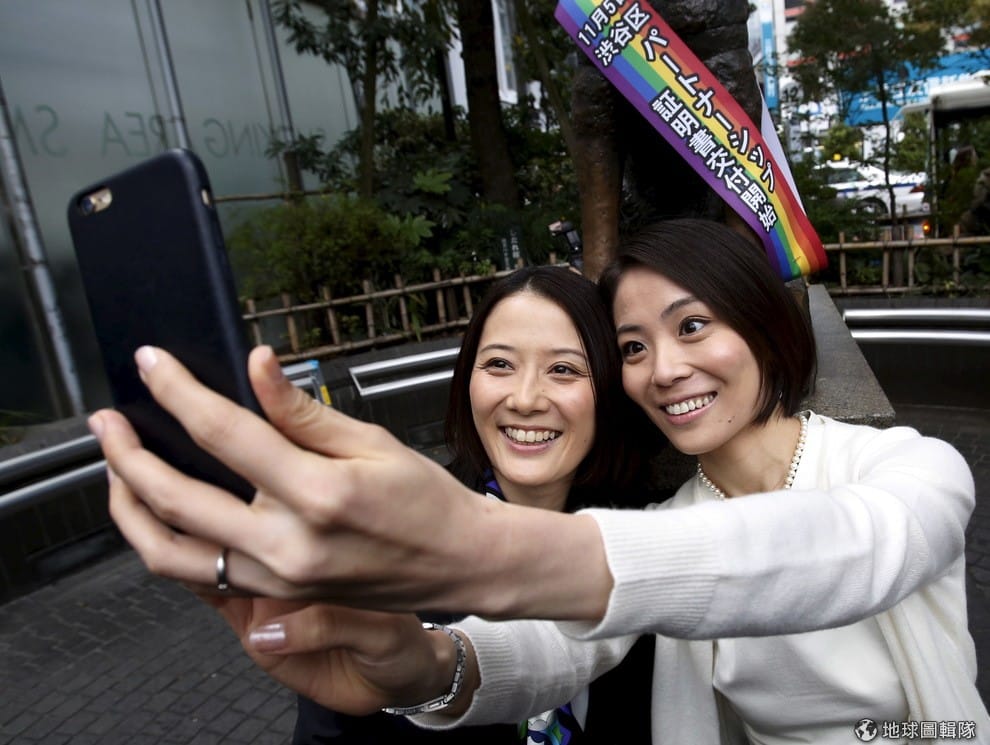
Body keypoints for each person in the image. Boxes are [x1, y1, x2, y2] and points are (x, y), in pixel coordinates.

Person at [91, 218, 989, 742]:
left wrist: (478, 547)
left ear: (766, 327)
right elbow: (559, 650)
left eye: (693, 326)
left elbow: (844, 552)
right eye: (632, 346)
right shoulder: (661, 521)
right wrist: (424, 664)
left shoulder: (907, 468)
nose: (665, 368)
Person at [291, 265, 659, 743]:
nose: (525, 399)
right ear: (468, 379)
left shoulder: (644, 539)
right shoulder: (379, 550)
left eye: (563, 369)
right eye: (500, 364)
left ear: (608, 389)